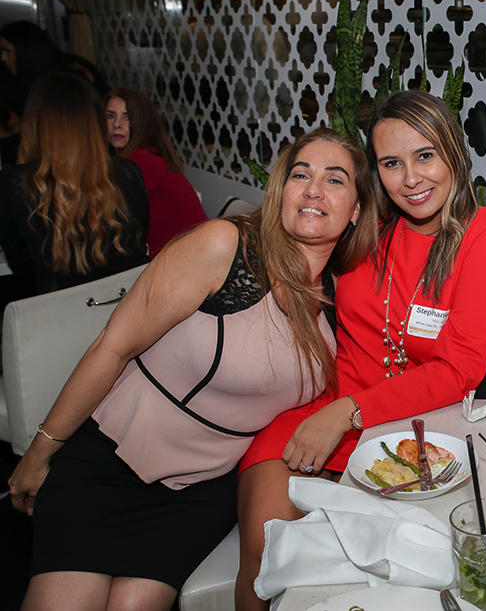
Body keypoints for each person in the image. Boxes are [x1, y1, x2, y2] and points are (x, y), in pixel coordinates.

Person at [5, 126, 377, 611]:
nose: (313, 190)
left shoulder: (342, 298)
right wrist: (39, 453)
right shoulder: (225, 247)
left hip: (199, 492)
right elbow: (110, 347)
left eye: (335, 179)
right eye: (300, 174)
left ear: (355, 210)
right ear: (281, 190)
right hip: (109, 460)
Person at [235, 90, 486, 611]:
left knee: (383, 580)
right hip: (320, 410)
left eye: (425, 156)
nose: (410, 179)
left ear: (454, 152)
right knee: (264, 555)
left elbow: (459, 368)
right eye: (391, 163)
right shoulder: (366, 230)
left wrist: (349, 413)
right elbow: (292, 246)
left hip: (409, 432)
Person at [0, 71, 149, 295]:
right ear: (95, 122)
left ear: (35, 124)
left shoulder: (14, 184)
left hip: (62, 311)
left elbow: (21, 265)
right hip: (132, 305)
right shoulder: (128, 173)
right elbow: (137, 237)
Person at [105, 87, 209, 257]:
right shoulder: (145, 153)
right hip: (179, 252)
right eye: (110, 116)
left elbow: (105, 212)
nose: (117, 124)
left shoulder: (140, 160)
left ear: (142, 123)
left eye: (127, 117)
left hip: (186, 258)